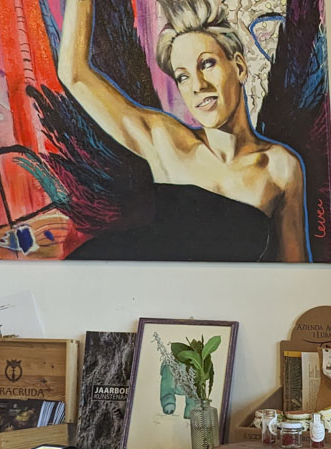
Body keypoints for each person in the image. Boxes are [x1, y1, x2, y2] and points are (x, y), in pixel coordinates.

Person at [57, 0, 308, 261]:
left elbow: (296, 272)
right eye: (183, 76)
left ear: (240, 67)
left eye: (207, 63)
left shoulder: (281, 168)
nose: (197, 86)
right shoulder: (166, 143)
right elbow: (73, 74)